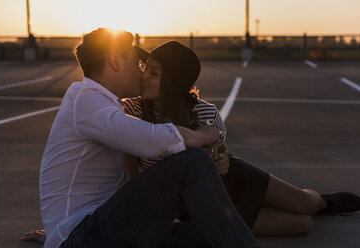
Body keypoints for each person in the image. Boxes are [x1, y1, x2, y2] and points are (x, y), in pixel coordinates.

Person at [35, 28, 261, 248]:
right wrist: (202, 135)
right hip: (82, 235)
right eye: (137, 63)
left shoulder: (102, 103)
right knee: (193, 160)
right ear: (115, 61)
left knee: (209, 234)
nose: (140, 72)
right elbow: (153, 141)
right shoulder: (86, 100)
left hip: (102, 227)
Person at [122, 41, 360, 236]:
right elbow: (132, 174)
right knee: (302, 225)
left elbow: (221, 149)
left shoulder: (204, 112)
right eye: (145, 67)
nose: (144, 76)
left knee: (306, 205)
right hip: (199, 205)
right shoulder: (132, 111)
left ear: (173, 83)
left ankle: (326, 201)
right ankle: (271, 205)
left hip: (233, 178)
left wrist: (222, 158)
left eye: (154, 72)